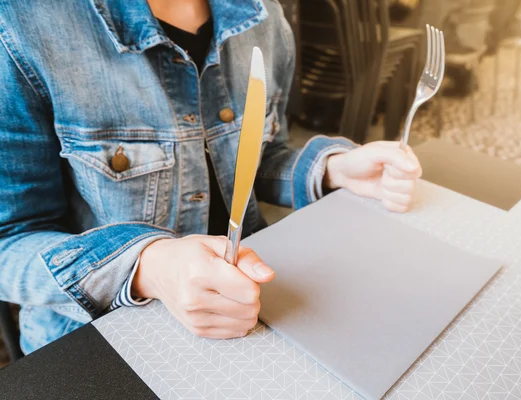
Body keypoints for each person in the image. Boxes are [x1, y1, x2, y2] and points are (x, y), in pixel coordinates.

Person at [0, 0, 422, 354]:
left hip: (255, 310)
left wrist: (331, 170)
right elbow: (10, 240)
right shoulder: (23, 24)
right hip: (100, 343)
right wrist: (151, 266)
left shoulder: (263, 15)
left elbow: (253, 162)